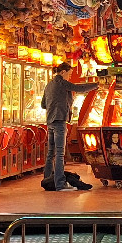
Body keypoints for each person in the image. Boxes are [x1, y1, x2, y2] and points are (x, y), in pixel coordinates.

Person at [41, 62, 97, 191]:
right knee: (60, 154)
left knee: (51, 153)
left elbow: (43, 104)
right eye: (69, 74)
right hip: (59, 120)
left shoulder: (49, 85)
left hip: (50, 121)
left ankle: (47, 181)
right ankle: (59, 183)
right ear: (63, 72)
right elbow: (79, 88)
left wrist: (54, 104)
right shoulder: (61, 82)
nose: (69, 77)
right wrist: (96, 85)